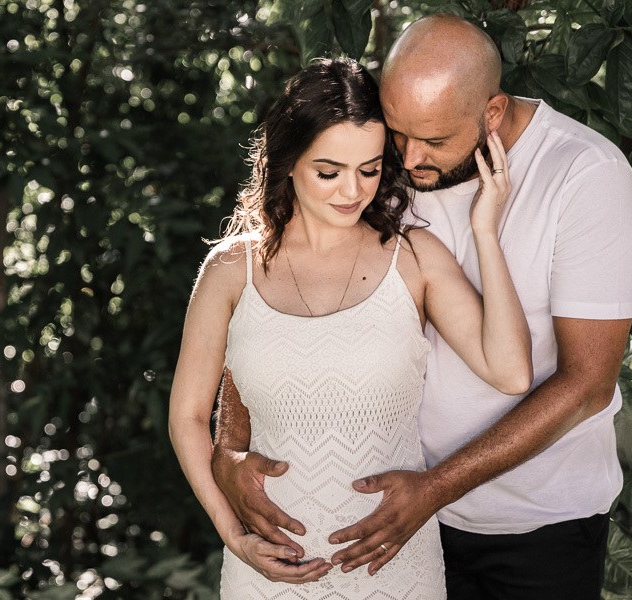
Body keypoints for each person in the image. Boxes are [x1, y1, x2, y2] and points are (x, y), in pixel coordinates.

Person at [211, 14, 632, 600]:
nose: (410, 161)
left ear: (492, 112)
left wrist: (435, 487)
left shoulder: (581, 173)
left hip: (535, 530)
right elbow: (276, 277)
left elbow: (588, 385)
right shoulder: (374, 155)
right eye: (398, 132)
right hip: (389, 523)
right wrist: (231, 449)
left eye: (436, 142)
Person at [168, 57, 533, 599]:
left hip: (394, 572)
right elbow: (189, 417)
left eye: (368, 169)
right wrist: (234, 537)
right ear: (288, 161)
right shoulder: (229, 270)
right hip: (266, 575)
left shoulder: (414, 258)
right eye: (328, 171)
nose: (351, 191)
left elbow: (511, 372)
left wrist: (486, 229)